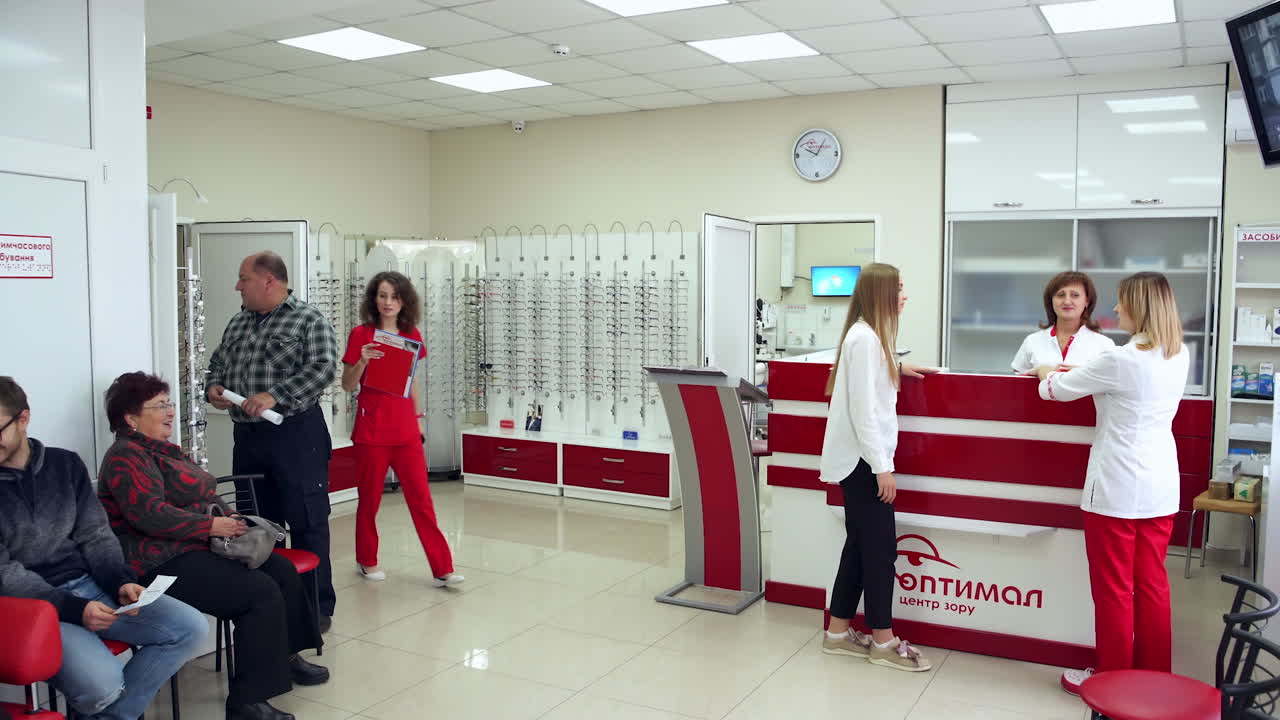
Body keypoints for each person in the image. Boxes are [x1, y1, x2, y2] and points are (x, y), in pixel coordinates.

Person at [98, 372, 330, 720]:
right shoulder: (125, 456)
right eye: (160, 405)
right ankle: (246, 702)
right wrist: (211, 525)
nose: (170, 411)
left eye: (169, 403)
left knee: (280, 570)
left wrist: (230, 516)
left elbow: (201, 493)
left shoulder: (163, 449)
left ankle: (284, 656)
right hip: (158, 561)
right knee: (258, 593)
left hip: (194, 546)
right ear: (130, 418)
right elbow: (150, 515)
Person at [0, 376, 206, 720]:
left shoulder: (64, 465)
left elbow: (96, 535)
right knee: (103, 687)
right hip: (33, 606)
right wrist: (74, 609)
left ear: (23, 419)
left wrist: (120, 582)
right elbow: (6, 575)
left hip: (88, 585)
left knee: (190, 628)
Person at [1035, 272, 1188, 695]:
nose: (1117, 309)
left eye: (1122, 302)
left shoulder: (1120, 359)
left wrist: (1048, 369)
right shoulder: (1178, 354)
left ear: (1138, 307)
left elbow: (1055, 390)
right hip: (1159, 487)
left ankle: (1112, 679)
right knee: (1153, 584)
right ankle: (1155, 677)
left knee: (1115, 589)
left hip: (1117, 489)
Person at [205, 251, 339, 630]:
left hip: (296, 436)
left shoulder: (307, 319)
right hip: (248, 438)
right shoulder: (238, 323)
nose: (237, 286)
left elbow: (323, 367)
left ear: (269, 281)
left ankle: (316, 607)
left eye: (243, 278)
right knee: (258, 523)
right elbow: (217, 364)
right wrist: (213, 387)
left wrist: (275, 395)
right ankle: (273, 601)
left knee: (307, 521)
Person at [817, 263, 938, 672]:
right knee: (881, 551)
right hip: (864, 463)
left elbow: (864, 386)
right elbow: (864, 410)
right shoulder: (865, 340)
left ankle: (837, 633)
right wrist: (882, 467)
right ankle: (883, 641)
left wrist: (896, 366)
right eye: (899, 289)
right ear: (881, 293)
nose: (905, 296)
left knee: (859, 547)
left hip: (860, 461)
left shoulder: (869, 338)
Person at [340, 271, 462, 587]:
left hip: (405, 428)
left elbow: (413, 380)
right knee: (369, 500)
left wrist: (419, 419)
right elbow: (346, 384)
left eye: (394, 296)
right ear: (373, 299)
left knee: (422, 500)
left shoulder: (413, 335)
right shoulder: (361, 334)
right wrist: (363, 362)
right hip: (372, 428)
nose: (388, 302)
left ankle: (442, 568)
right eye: (382, 295)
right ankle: (366, 560)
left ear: (404, 301)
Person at [1011, 271, 1115, 376]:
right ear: (1051, 301)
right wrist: (1038, 371)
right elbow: (1016, 381)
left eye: (1075, 295)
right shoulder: (1032, 341)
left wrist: (1084, 374)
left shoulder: (1104, 345)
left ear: (1087, 301)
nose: (1067, 301)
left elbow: (1112, 385)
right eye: (1060, 295)